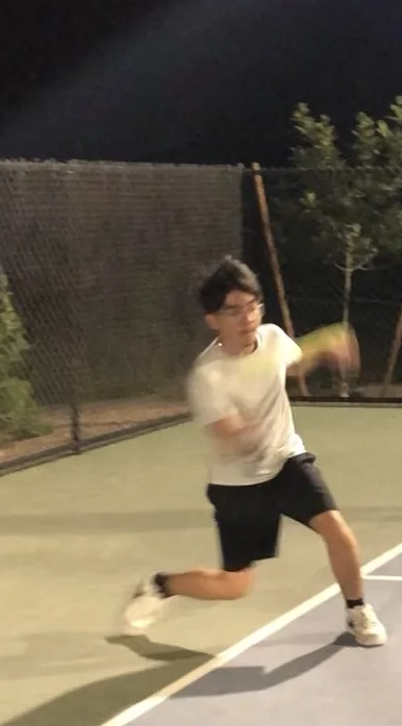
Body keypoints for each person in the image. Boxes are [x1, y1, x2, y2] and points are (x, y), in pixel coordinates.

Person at [118, 257, 387, 647]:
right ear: (213, 319)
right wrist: (247, 431)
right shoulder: (208, 376)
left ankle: (357, 609)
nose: (247, 318)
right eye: (234, 310)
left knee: (338, 532)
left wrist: (325, 348)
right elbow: (228, 436)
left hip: (286, 460)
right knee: (235, 586)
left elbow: (292, 364)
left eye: (252, 306)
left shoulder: (273, 338)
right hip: (238, 486)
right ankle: (161, 585)